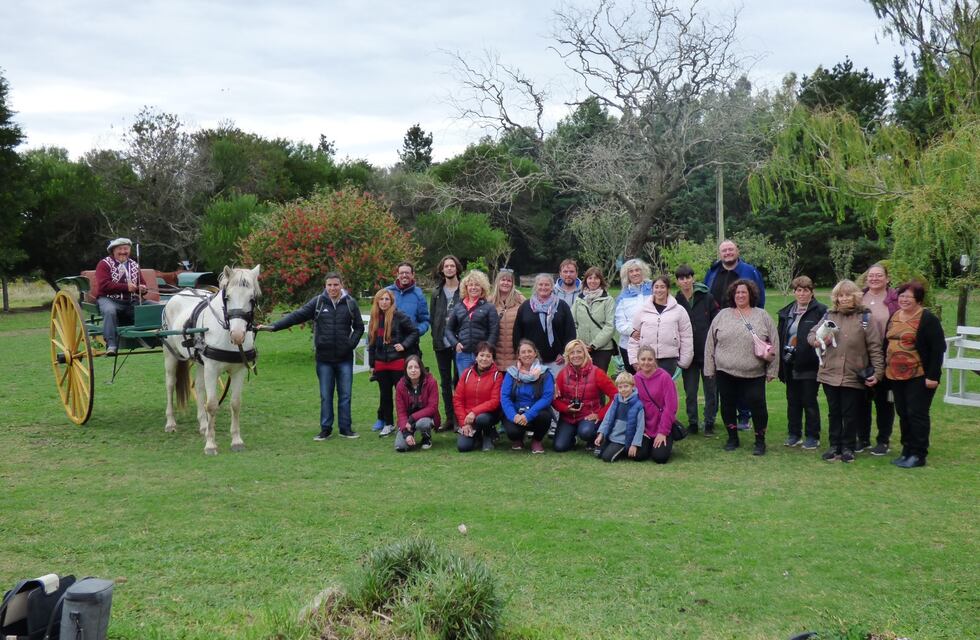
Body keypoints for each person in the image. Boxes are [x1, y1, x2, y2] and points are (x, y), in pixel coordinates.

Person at [258, 272, 364, 440]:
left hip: (344, 359)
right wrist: (273, 327)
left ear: (341, 285)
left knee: (345, 395)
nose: (332, 288)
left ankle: (346, 429)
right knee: (325, 395)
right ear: (325, 286)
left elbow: (359, 327)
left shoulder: (351, 303)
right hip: (324, 360)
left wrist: (350, 345)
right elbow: (296, 316)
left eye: (336, 285)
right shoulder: (319, 302)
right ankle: (326, 429)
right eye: (329, 285)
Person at [808, 279, 884, 463]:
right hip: (830, 372)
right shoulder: (829, 315)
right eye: (841, 295)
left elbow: (875, 347)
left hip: (853, 372)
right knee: (834, 412)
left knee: (850, 413)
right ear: (836, 298)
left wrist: (878, 372)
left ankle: (848, 447)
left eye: (848, 295)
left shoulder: (865, 318)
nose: (844, 299)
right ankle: (834, 446)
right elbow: (812, 334)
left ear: (855, 296)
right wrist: (815, 341)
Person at [704, 279, 778, 455]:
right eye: (737, 292)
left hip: (754, 373)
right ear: (732, 295)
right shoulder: (722, 315)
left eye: (744, 292)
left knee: (758, 405)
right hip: (725, 371)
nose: (740, 295)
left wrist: (772, 370)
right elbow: (710, 343)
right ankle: (732, 437)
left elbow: (774, 343)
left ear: (751, 294)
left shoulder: (762, 315)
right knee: (727, 404)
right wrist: (709, 368)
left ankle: (760, 440)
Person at [704, 240, 766, 430]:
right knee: (722, 373)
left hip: (744, 325)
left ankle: (744, 416)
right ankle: (716, 415)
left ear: (737, 251)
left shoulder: (749, 272)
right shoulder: (713, 272)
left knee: (744, 371)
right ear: (720, 253)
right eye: (724, 250)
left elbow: (760, 299)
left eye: (731, 249)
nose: (728, 253)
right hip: (719, 327)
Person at [884, 281, 946, 468]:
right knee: (903, 413)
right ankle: (907, 449)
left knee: (916, 413)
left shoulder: (927, 319)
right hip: (895, 375)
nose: (904, 300)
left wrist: (933, 376)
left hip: (919, 375)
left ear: (918, 299)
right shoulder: (895, 315)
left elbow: (937, 349)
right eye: (901, 296)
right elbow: (886, 342)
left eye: (908, 297)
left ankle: (918, 454)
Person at [776, 276, 827, 450]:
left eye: (805, 290)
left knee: (809, 400)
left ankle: (813, 436)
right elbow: (780, 335)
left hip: (810, 364)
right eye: (798, 290)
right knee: (792, 400)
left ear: (811, 292)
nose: (802, 293)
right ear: (794, 292)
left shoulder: (820, 311)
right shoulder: (787, 311)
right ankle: (794, 434)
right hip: (790, 363)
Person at [860, 262, 900, 455]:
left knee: (884, 400)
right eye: (871, 275)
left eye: (878, 275)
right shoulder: (859, 297)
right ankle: (863, 438)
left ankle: (883, 440)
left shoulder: (895, 299)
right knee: (861, 399)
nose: (874, 279)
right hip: (861, 354)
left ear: (887, 278)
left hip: (887, 353)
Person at [367, 288, 419, 437]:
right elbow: (371, 344)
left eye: (387, 299)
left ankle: (408, 422)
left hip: (397, 361)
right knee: (385, 395)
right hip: (380, 363)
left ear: (391, 301)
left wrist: (404, 345)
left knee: (402, 393)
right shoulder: (375, 318)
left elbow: (414, 332)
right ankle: (388, 423)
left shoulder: (399, 315)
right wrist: (372, 364)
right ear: (377, 301)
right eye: (381, 299)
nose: (384, 302)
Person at [674, 264, 719, 436]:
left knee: (710, 391)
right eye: (681, 278)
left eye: (688, 277)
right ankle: (693, 422)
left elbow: (717, 320)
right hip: (687, 354)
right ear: (677, 281)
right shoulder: (676, 301)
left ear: (693, 278)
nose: (685, 281)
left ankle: (709, 422)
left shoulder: (706, 297)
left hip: (707, 352)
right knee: (690, 391)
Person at [552, 339, 618, 453]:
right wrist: (565, 408)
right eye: (572, 353)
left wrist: (599, 415)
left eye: (579, 352)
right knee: (559, 446)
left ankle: (593, 438)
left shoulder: (597, 373)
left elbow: (616, 396)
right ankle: (571, 438)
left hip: (588, 416)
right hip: (568, 417)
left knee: (586, 432)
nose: (576, 355)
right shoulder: (562, 374)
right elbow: (554, 399)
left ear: (585, 353)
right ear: (568, 356)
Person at [628, 274, 693, 378]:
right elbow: (634, 337)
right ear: (652, 289)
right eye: (656, 287)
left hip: (669, 360)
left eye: (662, 287)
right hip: (646, 359)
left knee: (665, 390)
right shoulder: (642, 310)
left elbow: (686, 336)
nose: (659, 290)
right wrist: (634, 361)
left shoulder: (679, 310)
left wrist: (684, 360)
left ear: (668, 289)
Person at [513, 274, 576, 378]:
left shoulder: (561, 306)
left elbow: (570, 332)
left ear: (552, 287)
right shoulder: (525, 306)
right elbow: (517, 333)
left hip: (556, 360)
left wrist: (564, 353)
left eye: (547, 285)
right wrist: (520, 354)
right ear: (536, 287)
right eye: (540, 284)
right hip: (531, 359)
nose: (543, 287)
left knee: (556, 390)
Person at [95, 237, 150, 356]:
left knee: (157, 307)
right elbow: (104, 285)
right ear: (113, 251)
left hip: (131, 302)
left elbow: (142, 283)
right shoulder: (104, 264)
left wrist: (142, 289)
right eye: (120, 249)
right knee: (109, 311)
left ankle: (162, 336)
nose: (123, 252)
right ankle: (111, 345)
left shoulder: (134, 265)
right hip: (108, 299)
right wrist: (126, 287)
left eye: (126, 249)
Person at [500, 340, 555, 454]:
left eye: (529, 351)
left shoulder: (545, 373)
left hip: (536, 412)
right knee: (512, 432)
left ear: (535, 353)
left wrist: (528, 415)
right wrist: (513, 416)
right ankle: (518, 438)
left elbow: (547, 397)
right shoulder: (511, 373)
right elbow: (505, 397)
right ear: (519, 355)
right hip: (516, 412)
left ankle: (537, 440)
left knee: (545, 416)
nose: (527, 354)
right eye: (523, 352)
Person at [429, 255, 463, 431]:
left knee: (459, 381)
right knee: (444, 382)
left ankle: (459, 418)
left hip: (459, 344)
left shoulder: (464, 290)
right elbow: (433, 317)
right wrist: (436, 337)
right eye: (446, 266)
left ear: (457, 268)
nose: (449, 269)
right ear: (442, 270)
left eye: (452, 266)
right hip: (441, 344)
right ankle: (449, 418)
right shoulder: (436, 293)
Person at [445, 269, 499, 378]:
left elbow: (494, 331)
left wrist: (487, 350)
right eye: (470, 285)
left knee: (483, 385)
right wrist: (455, 343)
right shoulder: (458, 307)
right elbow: (448, 329)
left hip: (482, 355)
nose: (473, 287)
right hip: (463, 354)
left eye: (477, 285)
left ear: (482, 288)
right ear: (466, 287)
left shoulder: (489, 307)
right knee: (465, 385)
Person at [632, 345, 680, 464]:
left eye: (650, 359)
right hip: (644, 427)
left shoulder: (664, 377)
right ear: (638, 361)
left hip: (661, 423)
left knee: (660, 457)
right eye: (643, 359)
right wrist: (639, 430)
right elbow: (632, 406)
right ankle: (648, 445)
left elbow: (670, 407)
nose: (646, 362)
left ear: (655, 360)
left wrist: (662, 432)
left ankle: (665, 441)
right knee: (638, 455)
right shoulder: (635, 379)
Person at [454, 343, 504, 452]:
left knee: (482, 418)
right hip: (468, 417)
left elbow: (495, 401)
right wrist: (464, 423)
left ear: (492, 359)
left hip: (488, 415)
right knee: (463, 447)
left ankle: (488, 435)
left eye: (488, 356)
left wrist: (474, 412)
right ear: (476, 357)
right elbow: (458, 400)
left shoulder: (497, 375)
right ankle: (476, 436)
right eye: (481, 355)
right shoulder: (466, 374)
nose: (484, 359)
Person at [571, 266, 616, 373]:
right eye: (590, 278)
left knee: (598, 379)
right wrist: (580, 343)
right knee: (582, 379)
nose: (593, 281)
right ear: (586, 280)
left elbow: (610, 326)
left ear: (601, 280)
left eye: (596, 278)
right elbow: (573, 323)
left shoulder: (608, 300)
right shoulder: (579, 299)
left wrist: (593, 345)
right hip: (581, 348)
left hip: (602, 348)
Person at [594, 372, 645, 462]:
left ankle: (624, 450)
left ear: (633, 387)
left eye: (626, 386)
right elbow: (607, 418)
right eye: (620, 387)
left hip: (623, 440)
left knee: (607, 458)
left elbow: (640, 427)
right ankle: (612, 447)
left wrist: (634, 444)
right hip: (611, 435)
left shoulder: (638, 405)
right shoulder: (616, 400)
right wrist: (601, 434)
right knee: (597, 453)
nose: (623, 390)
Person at [394, 355, 441, 452]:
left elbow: (432, 408)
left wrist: (412, 418)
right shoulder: (400, 385)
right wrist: (406, 433)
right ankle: (410, 436)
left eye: (416, 367)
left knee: (423, 423)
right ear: (406, 370)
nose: (413, 370)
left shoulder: (431, 382)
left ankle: (426, 437)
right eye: (410, 367)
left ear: (421, 368)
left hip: (425, 418)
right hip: (407, 421)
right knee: (401, 447)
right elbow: (401, 412)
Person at [614, 258, 652, 374]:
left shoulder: (653, 289)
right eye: (631, 271)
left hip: (651, 342)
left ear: (643, 271)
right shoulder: (622, 296)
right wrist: (631, 331)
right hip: (628, 344)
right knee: (634, 380)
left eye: (637, 270)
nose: (635, 273)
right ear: (627, 274)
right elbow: (619, 321)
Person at [385, 262, 430, 353]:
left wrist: (416, 332)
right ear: (397, 275)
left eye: (407, 273)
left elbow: (425, 320)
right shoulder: (387, 292)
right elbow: (376, 317)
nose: (404, 275)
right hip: (389, 344)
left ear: (413, 275)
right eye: (401, 273)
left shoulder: (419, 295)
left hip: (410, 344)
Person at [490, 268, 526, 370]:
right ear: (498, 282)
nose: (506, 283)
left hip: (514, 356)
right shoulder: (490, 302)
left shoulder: (521, 301)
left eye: (509, 281)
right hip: (496, 355)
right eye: (503, 280)